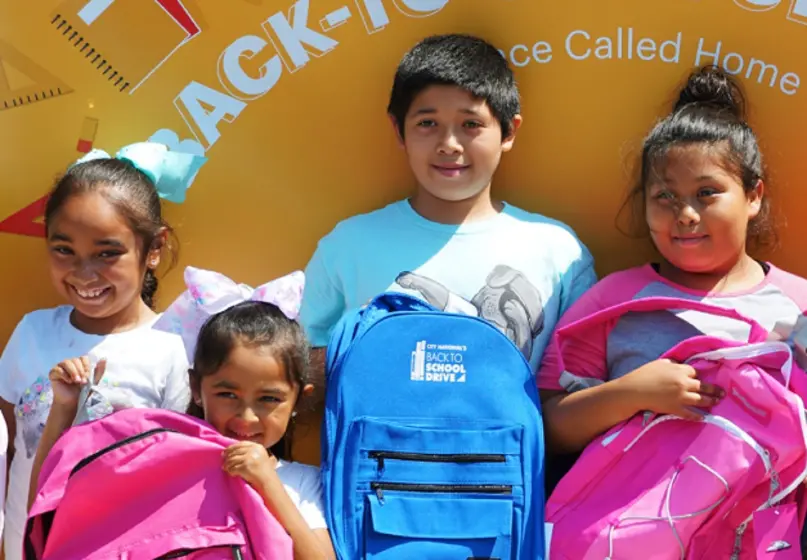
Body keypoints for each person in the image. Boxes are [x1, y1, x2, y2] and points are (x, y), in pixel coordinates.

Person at [300, 33, 595, 393]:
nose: (449, 145)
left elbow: (578, 390)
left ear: (508, 131)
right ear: (399, 129)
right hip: (378, 447)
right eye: (427, 123)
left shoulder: (560, 252)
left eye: (471, 124)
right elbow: (299, 370)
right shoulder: (348, 245)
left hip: (509, 449)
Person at [538, 65, 807, 457]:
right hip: (629, 515)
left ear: (753, 196)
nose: (685, 215)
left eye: (707, 193)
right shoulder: (612, 299)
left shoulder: (798, 304)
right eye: (665, 196)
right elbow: (551, 427)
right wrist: (633, 393)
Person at [0, 143, 203, 560]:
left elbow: (174, 476)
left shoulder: (171, 352)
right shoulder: (32, 332)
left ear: (155, 248)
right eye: (63, 250)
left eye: (107, 253)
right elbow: (6, 443)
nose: (83, 272)